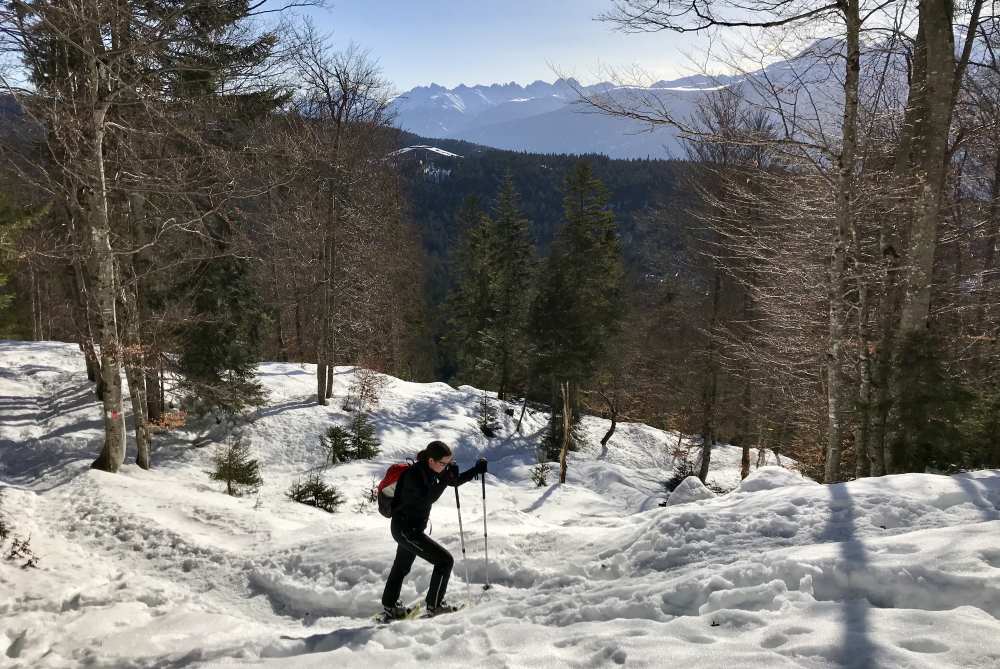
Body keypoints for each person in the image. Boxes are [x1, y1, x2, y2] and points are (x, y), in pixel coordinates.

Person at [380, 440, 487, 620]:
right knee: (444, 561)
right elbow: (427, 498)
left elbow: (452, 481)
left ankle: (390, 606)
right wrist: (445, 479)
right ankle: (435, 606)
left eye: (449, 463)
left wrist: (476, 470)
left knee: (401, 567)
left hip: (408, 529)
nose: (447, 466)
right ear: (431, 460)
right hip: (406, 530)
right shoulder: (413, 475)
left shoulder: (431, 469)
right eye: (444, 463)